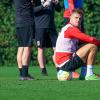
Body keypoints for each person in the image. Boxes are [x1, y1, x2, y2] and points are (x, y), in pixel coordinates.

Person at [55, 9, 100, 81]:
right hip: (66, 64)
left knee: (88, 46)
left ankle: (84, 74)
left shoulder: (69, 28)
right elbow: (90, 39)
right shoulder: (70, 29)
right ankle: (89, 74)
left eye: (80, 18)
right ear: (70, 18)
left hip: (64, 64)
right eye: (76, 18)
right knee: (92, 46)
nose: (78, 20)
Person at [33, 0, 61, 75]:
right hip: (40, 27)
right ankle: (43, 70)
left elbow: (59, 10)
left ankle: (58, 68)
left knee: (56, 48)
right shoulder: (37, 1)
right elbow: (32, 11)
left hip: (51, 27)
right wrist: (43, 6)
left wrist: (57, 3)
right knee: (41, 48)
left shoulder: (51, 0)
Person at [13, 0, 35, 80]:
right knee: (27, 47)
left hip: (18, 22)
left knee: (21, 47)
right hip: (27, 21)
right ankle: (24, 74)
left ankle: (22, 73)